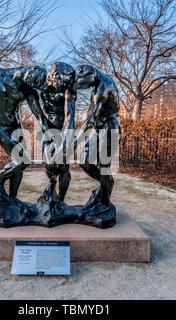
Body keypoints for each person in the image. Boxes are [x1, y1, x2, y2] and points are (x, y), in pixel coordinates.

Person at [0, 66, 49, 201]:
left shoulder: (29, 90)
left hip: (15, 125)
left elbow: (39, 115)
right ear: (28, 73)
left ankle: (13, 198)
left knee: (19, 163)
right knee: (23, 160)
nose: (33, 86)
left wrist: (47, 128)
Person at [74, 64, 120, 213]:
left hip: (110, 129)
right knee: (84, 161)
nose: (83, 87)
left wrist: (74, 142)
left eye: (83, 84)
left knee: (103, 167)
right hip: (99, 129)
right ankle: (104, 186)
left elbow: (91, 119)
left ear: (91, 76)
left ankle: (105, 202)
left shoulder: (102, 88)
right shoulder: (99, 82)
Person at [39, 62, 76, 203]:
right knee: (49, 164)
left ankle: (61, 199)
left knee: (64, 167)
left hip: (62, 130)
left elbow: (70, 115)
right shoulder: (42, 88)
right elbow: (40, 112)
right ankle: (52, 187)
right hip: (48, 130)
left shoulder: (68, 90)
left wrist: (65, 140)